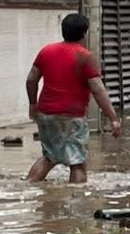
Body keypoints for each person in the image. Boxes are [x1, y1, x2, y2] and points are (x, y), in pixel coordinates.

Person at [25, 12, 121, 184]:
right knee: (77, 164)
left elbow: (31, 80)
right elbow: (98, 90)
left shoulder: (46, 51)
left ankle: (28, 187)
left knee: (48, 157)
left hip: (46, 114)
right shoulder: (85, 56)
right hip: (72, 116)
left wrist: (33, 105)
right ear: (84, 34)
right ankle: (77, 201)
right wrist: (113, 118)